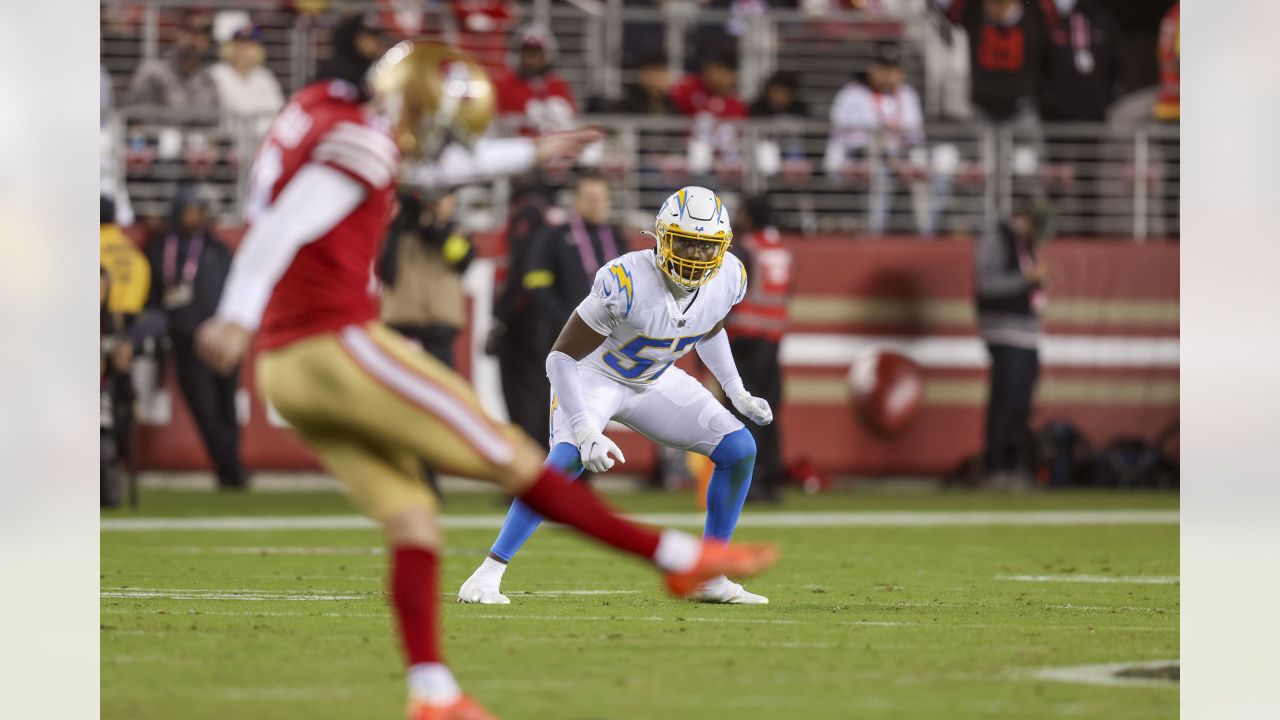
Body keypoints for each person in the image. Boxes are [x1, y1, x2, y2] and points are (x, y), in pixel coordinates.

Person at [194, 33, 778, 720]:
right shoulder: (359, 140)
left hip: (289, 365)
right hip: (335, 342)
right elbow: (282, 227)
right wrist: (235, 311)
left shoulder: (318, 109)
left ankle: (432, 691)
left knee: (412, 515)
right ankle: (676, 554)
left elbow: (426, 166)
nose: (440, 140)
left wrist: (529, 153)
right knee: (510, 457)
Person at [458, 186, 776, 607]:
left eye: (706, 246)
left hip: (655, 379)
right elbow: (560, 358)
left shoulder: (730, 276)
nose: (695, 256)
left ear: (723, 247)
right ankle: (487, 573)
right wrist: (587, 429)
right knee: (566, 458)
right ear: (661, 237)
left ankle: (709, 574)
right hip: (594, 376)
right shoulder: (625, 280)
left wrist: (736, 392)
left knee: (739, 448)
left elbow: (709, 325)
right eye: (685, 242)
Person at [143, 191, 247, 490]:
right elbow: (153, 297)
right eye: (189, 211)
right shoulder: (161, 247)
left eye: (198, 210)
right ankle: (231, 469)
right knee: (204, 408)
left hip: (221, 338)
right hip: (186, 340)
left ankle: (231, 470)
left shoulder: (217, 247)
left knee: (227, 406)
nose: (194, 216)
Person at [973, 198, 1055, 491]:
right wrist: (1025, 279)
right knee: (1004, 402)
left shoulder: (1026, 243)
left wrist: (1040, 283)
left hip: (1028, 332)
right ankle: (995, 468)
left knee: (1022, 405)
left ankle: (1015, 467)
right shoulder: (996, 238)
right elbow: (987, 284)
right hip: (1003, 329)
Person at [826, 42, 949, 235]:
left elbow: (915, 136)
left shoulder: (908, 95)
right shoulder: (851, 94)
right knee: (880, 173)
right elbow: (844, 135)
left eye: (893, 70)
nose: (887, 75)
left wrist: (896, 147)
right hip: (861, 157)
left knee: (941, 167)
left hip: (900, 157)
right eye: (883, 69)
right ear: (872, 70)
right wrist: (880, 141)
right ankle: (876, 233)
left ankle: (927, 232)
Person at [725, 195, 791, 504]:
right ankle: (773, 482)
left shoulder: (745, 249)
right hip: (774, 341)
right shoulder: (782, 251)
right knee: (770, 413)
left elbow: (731, 294)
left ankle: (746, 483)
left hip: (745, 342)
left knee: (743, 413)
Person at [380, 189, 474, 368]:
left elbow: (462, 261)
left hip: (439, 320)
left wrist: (431, 226)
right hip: (401, 318)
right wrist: (403, 217)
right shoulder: (400, 228)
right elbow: (385, 266)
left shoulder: (456, 231)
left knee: (442, 382)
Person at [493, 24, 578, 135]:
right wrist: (526, 120)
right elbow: (497, 122)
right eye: (528, 52)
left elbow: (568, 120)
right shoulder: (504, 85)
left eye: (538, 52)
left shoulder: (558, 85)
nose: (533, 58)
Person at [124, 14, 219, 112]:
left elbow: (212, 122)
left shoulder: (207, 81)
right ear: (178, 34)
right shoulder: (153, 74)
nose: (196, 40)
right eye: (192, 32)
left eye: (203, 35)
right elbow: (136, 120)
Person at [208, 25, 285, 131]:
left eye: (248, 45)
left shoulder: (265, 77)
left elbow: (278, 111)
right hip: (228, 140)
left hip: (263, 139)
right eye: (238, 44)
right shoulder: (216, 74)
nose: (242, 50)